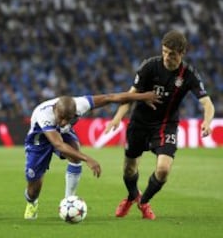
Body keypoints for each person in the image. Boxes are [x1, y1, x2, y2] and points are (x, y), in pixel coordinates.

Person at [104, 30, 215, 220]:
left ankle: (143, 201)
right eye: (164, 51)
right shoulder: (150, 66)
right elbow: (130, 95)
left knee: (163, 169)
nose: (166, 57)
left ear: (182, 53)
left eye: (171, 54)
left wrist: (207, 121)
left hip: (165, 124)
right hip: (139, 123)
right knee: (129, 169)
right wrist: (117, 118)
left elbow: (207, 103)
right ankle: (132, 196)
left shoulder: (188, 75)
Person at [23, 91, 161, 219]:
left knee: (75, 154)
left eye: (68, 119)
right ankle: (32, 203)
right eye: (61, 118)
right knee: (33, 190)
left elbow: (110, 98)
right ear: (55, 110)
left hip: (62, 134)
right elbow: (58, 144)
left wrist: (143, 97)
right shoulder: (44, 114)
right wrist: (87, 158)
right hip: (39, 141)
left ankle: (68, 201)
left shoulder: (80, 104)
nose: (64, 122)